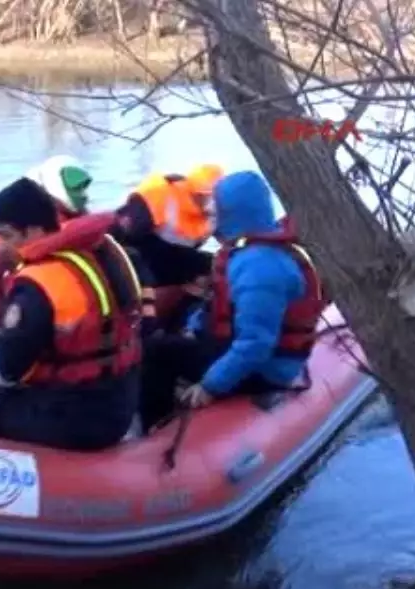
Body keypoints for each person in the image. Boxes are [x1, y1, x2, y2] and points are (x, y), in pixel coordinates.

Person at [0, 177, 146, 451]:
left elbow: (1, 371)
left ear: (33, 231)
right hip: (119, 398)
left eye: (6, 235)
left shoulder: (38, 284)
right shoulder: (101, 251)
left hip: (80, 417)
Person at [136, 170, 325, 431]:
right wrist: (194, 329)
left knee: (159, 353)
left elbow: (256, 345)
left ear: (235, 212)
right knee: (182, 319)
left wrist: (210, 385)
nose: (210, 210)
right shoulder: (248, 251)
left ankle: (154, 427)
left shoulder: (261, 269)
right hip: (240, 346)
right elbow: (214, 303)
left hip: (266, 369)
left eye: (217, 206)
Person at [0, 156, 160, 334]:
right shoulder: (73, 237)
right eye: (77, 189)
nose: (83, 196)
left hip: (85, 342)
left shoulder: (82, 236)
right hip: (103, 341)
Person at [110, 164, 224, 329]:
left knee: (214, 265)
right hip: (138, 260)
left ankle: (189, 322)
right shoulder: (158, 195)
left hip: (173, 259)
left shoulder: (215, 213)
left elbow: (230, 241)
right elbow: (119, 243)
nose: (210, 206)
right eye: (205, 197)